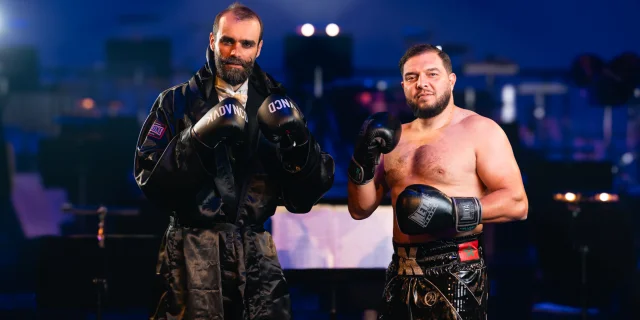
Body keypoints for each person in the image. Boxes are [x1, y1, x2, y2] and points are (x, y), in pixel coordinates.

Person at [133, 3, 335, 319]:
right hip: (190, 252)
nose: (235, 52)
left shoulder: (277, 104)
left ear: (259, 48)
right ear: (213, 40)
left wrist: (299, 144)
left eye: (246, 44)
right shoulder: (175, 102)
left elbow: (304, 197)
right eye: (228, 41)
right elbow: (152, 184)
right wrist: (197, 137)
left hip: (256, 255)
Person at [347, 44, 528, 320]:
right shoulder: (393, 138)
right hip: (400, 270)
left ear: (451, 80)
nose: (422, 83)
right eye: (412, 77)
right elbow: (360, 209)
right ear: (404, 85)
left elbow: (517, 203)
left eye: (432, 74)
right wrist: (361, 161)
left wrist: (451, 212)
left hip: (456, 269)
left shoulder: (480, 130)